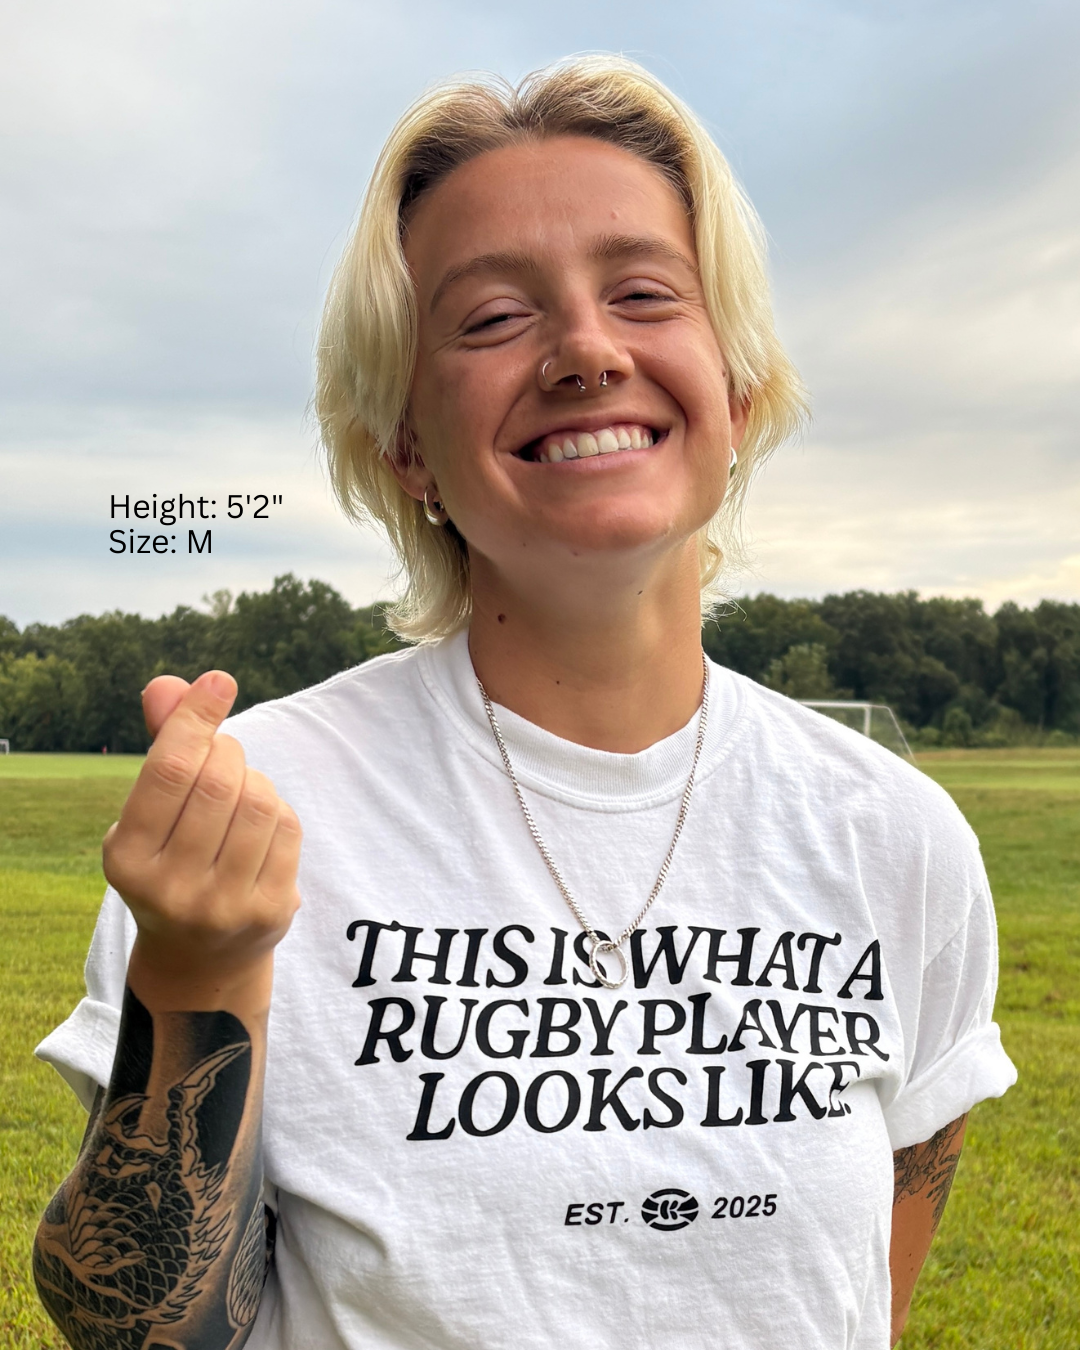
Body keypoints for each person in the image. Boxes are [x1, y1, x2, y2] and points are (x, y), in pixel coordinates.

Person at [33, 56, 1016, 1350]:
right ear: (407, 447)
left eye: (646, 293)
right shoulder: (263, 811)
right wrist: (199, 966)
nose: (588, 350)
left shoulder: (898, 832)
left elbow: (863, 1296)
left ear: (739, 387)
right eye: (492, 318)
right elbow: (138, 1333)